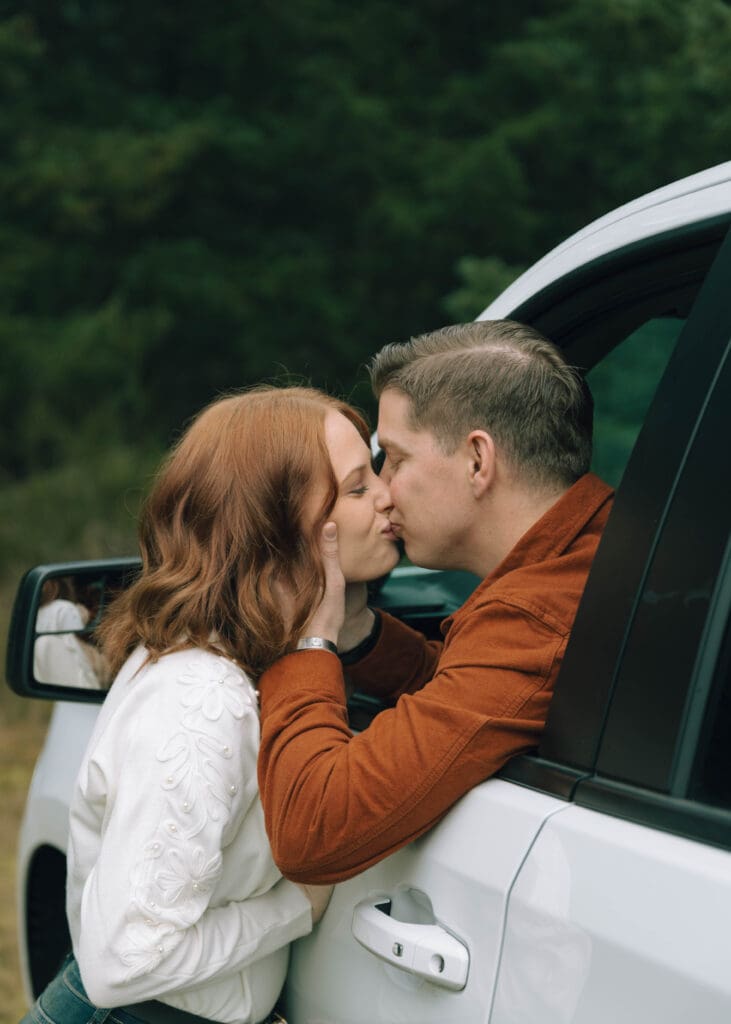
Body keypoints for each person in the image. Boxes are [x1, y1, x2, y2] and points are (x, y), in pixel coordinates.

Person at [20, 386, 399, 1024]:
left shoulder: (247, 658)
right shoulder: (202, 696)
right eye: (358, 488)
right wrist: (295, 907)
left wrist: (340, 625)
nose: (388, 495)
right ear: (276, 528)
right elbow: (126, 959)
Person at [257, 320, 615, 884]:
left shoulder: (535, 619)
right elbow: (467, 695)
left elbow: (314, 832)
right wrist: (356, 631)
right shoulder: (590, 554)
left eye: (394, 459)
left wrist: (309, 641)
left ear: (478, 461)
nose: (381, 488)